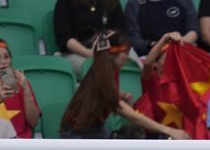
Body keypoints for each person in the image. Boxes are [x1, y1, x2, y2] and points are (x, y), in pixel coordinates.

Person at [59, 31, 191, 140]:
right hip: (78, 134)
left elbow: (103, 96)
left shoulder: (108, 71)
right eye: (126, 54)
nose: (127, 58)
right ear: (115, 54)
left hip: (95, 130)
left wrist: (118, 94)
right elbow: (133, 117)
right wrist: (171, 131)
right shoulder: (102, 77)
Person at [0, 37, 41, 139]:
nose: (3, 61)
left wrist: (26, 89)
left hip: (20, 145)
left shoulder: (21, 84)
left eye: (7, 57)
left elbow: (33, 122)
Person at [54, 0, 128, 78]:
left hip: (109, 52)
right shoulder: (64, 2)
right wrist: (88, 53)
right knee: (99, 69)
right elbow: (64, 38)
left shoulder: (112, 3)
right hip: (77, 53)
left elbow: (122, 32)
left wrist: (114, 50)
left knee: (134, 64)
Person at [125, 0, 199, 56]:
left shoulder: (183, 1)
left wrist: (173, 48)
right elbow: (135, 41)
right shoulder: (134, 4)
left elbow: (194, 31)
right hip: (151, 56)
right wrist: (161, 48)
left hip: (181, 52)